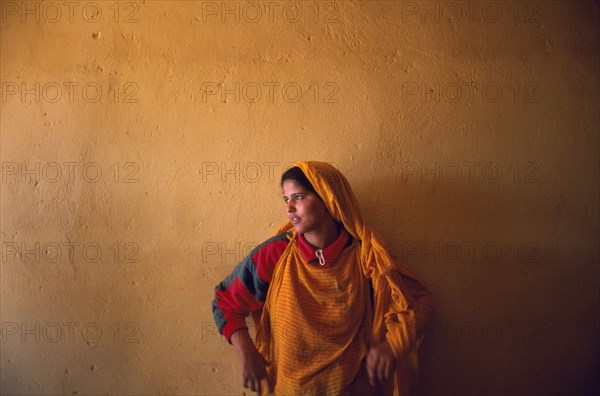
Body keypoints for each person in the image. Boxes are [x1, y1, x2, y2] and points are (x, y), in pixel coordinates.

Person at [212, 161, 432, 395]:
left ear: (329, 198)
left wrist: (392, 346)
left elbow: (418, 303)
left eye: (298, 197)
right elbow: (225, 302)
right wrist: (247, 353)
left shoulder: (366, 258)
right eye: (286, 200)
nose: (289, 209)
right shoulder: (276, 254)